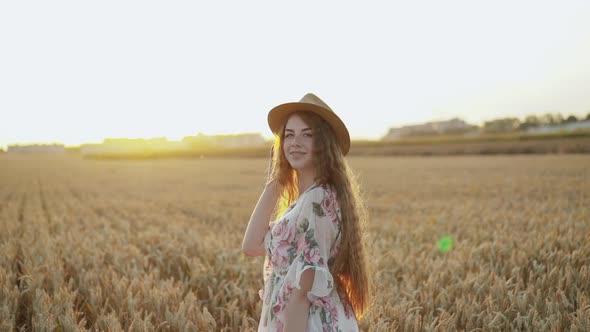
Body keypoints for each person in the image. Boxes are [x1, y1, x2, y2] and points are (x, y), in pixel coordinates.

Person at [242, 93, 370, 331]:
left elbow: (302, 291)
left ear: (324, 145)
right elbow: (251, 245)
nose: (295, 143)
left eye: (307, 135)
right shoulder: (306, 201)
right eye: (289, 135)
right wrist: (275, 182)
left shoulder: (316, 200)